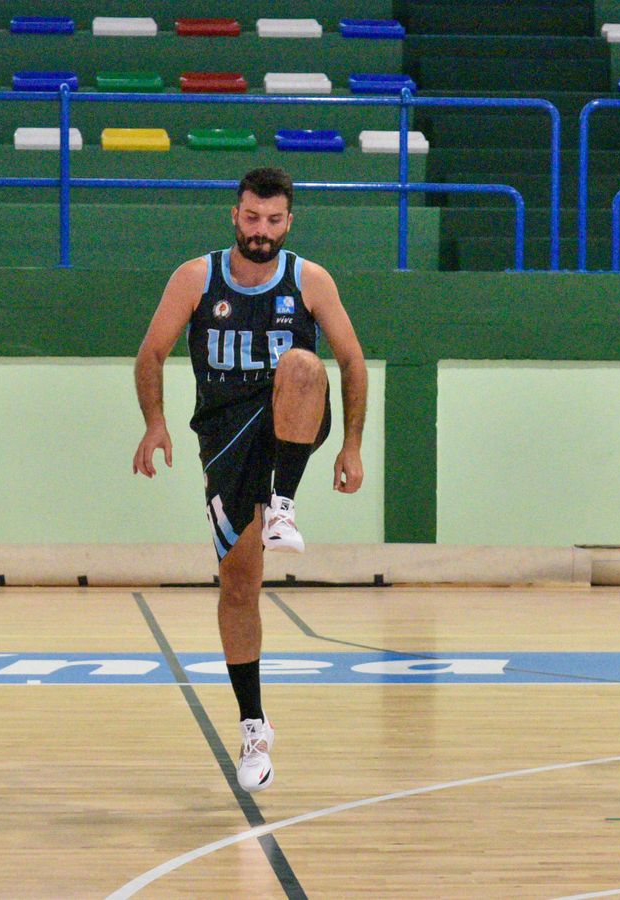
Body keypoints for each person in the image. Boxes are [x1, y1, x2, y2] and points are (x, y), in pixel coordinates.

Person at [132, 167, 367, 792]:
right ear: (235, 216)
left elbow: (352, 359)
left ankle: (284, 501)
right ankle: (254, 724)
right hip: (224, 433)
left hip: (293, 415)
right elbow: (150, 353)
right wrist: (155, 424)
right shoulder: (195, 278)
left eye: (274, 220)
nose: (262, 230)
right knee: (238, 586)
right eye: (252, 218)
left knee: (301, 362)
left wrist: (352, 444)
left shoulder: (310, 279)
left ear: (289, 222)